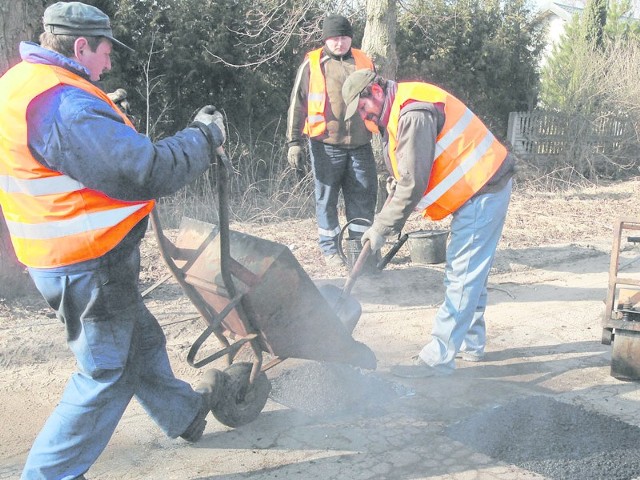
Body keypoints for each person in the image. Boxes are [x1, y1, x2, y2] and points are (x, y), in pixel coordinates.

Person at [0, 2, 227, 478]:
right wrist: (202, 139)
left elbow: (68, 155)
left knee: (140, 341)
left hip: (59, 256)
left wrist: (105, 117)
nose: (108, 63)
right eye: (105, 52)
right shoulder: (63, 104)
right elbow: (142, 169)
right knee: (107, 373)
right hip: (87, 260)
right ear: (80, 46)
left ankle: (183, 414)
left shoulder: (24, 84)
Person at [342, 69, 516, 377]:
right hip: (477, 188)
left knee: (462, 274)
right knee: (469, 271)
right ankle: (471, 345)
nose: (362, 116)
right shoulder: (397, 110)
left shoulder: (413, 112)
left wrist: (382, 226)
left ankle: (438, 358)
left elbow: (413, 183)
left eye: (362, 107)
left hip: (483, 187)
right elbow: (407, 172)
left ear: (376, 92)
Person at [286, 14, 378, 267]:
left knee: (363, 196)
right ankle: (330, 250)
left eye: (344, 38)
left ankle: (360, 252)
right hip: (326, 144)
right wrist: (293, 142)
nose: (340, 43)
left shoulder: (364, 61)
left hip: (360, 144)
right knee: (326, 198)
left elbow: (380, 100)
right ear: (326, 39)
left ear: (351, 38)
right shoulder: (313, 64)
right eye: (335, 38)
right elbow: (297, 104)